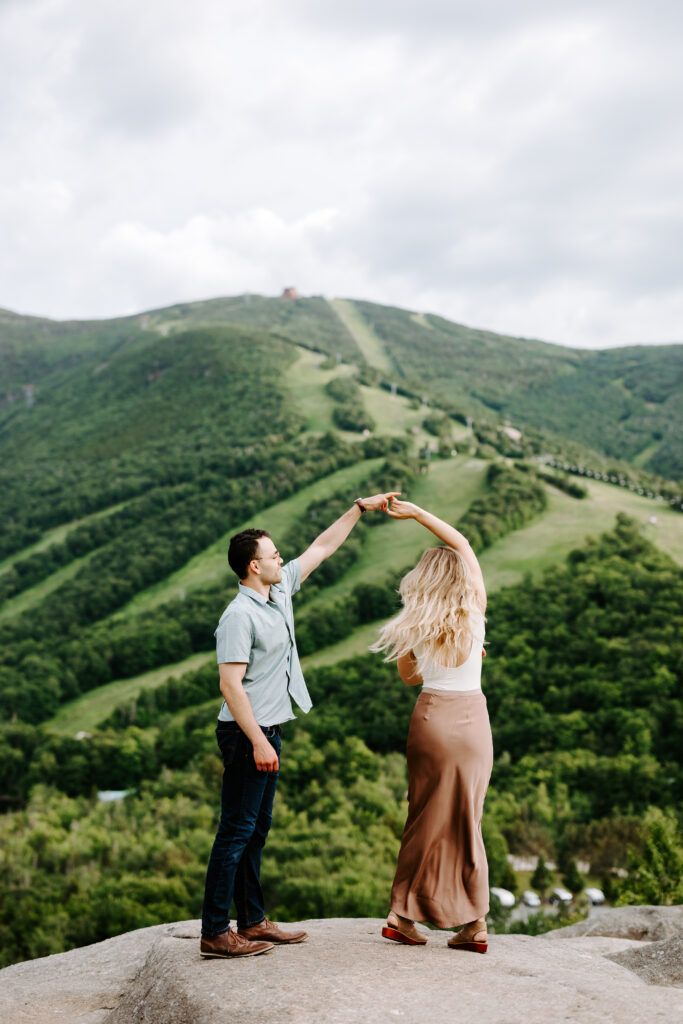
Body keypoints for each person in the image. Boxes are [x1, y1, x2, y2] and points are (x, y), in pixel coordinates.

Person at [200, 489, 399, 959]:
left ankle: (251, 921)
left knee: (256, 829)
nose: (280, 557)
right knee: (235, 830)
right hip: (247, 734)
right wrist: (258, 742)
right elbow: (230, 686)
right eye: (272, 554)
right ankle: (214, 931)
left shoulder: (280, 589)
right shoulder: (238, 616)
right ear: (253, 566)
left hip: (269, 729)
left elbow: (322, 548)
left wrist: (358, 509)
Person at [371, 497, 492, 953]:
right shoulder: (475, 610)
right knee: (468, 818)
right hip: (473, 721)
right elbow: (461, 542)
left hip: (431, 718)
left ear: (422, 582)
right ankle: (474, 924)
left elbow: (409, 678)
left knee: (423, 817)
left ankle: (402, 915)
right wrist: (420, 514)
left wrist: (431, 659)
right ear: (461, 578)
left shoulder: (413, 624)